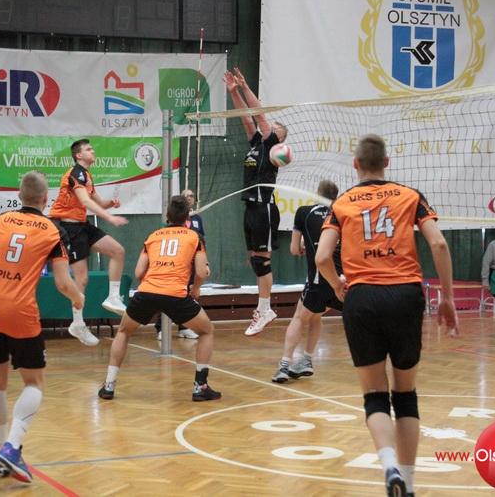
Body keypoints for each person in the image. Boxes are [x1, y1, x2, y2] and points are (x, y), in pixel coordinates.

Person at [316, 135, 458, 497]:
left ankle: (389, 465)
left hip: (362, 298)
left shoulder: (342, 203)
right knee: (405, 394)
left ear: (355, 164)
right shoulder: (410, 196)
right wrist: (447, 298)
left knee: (375, 395)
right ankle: (407, 484)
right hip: (406, 295)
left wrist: (336, 284)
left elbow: (321, 258)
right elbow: (438, 243)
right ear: (387, 163)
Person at [0, 171, 84, 483]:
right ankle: (12, 448)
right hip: (20, 311)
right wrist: (79, 299)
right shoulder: (53, 230)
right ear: (45, 199)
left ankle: (1, 452)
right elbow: (63, 283)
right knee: (34, 383)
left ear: (19, 195)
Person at [98, 195, 220, 402]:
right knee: (206, 331)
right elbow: (201, 272)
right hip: (176, 294)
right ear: (187, 218)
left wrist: (156, 281)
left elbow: (138, 273)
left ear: (167, 216)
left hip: (147, 291)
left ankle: (109, 386)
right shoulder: (194, 237)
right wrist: (197, 286)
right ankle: (200, 386)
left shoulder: (153, 236)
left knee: (124, 332)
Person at [223, 67, 288, 337]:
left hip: (264, 208)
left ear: (279, 138)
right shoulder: (255, 144)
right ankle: (263, 308)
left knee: (262, 262)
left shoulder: (272, 145)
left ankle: (265, 309)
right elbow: (246, 117)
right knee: (255, 260)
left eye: (274, 128)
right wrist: (233, 92)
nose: (268, 127)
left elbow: (259, 113)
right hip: (250, 206)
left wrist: (245, 86)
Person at [49, 138, 128, 346]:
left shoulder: (86, 175)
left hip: (82, 225)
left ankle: (113, 297)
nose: (93, 151)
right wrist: (109, 218)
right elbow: (85, 201)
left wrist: (110, 204)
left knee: (118, 251)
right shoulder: (76, 173)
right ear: (79, 155)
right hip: (68, 229)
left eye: (92, 148)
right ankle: (77, 323)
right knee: (81, 279)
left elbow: (97, 202)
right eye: (88, 149)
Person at [272, 180, 343, 383]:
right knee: (316, 316)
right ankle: (307, 360)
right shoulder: (342, 214)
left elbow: (294, 249)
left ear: (317, 194)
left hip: (319, 279)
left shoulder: (304, 212)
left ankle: (284, 365)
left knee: (299, 318)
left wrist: (304, 246)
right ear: (335, 197)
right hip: (342, 280)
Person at [155, 189, 203, 340]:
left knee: (187, 295)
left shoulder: (197, 219)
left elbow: (201, 240)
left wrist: (204, 262)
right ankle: (161, 328)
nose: (188, 198)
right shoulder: (172, 221)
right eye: (185, 196)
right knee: (168, 294)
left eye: (191, 196)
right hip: (175, 262)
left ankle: (184, 327)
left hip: (191, 263)